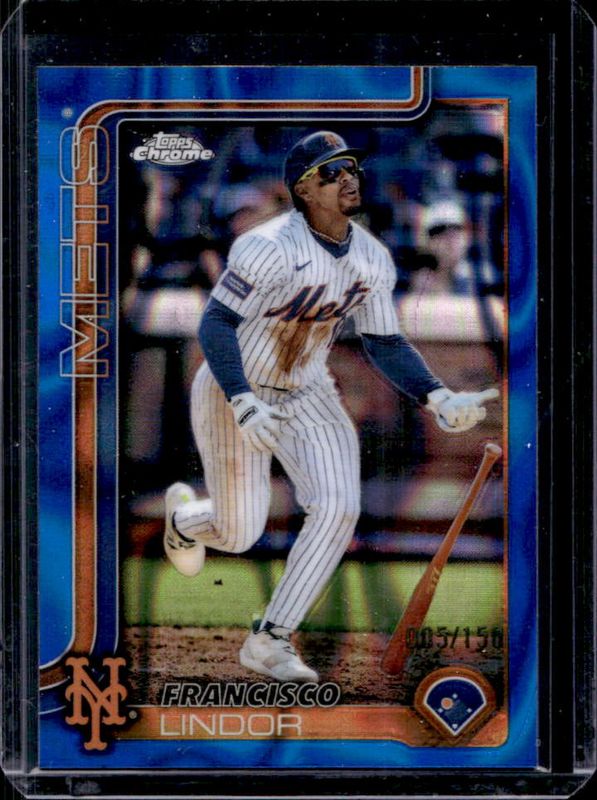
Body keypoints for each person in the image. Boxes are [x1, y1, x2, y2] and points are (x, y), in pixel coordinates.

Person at [162, 131, 498, 683]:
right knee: (239, 532)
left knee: (339, 507)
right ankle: (185, 520)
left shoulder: (370, 257)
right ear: (302, 189)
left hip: (307, 389)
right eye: (331, 172)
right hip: (232, 384)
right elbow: (216, 324)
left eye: (350, 168)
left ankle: (270, 639)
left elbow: (384, 341)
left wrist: (436, 395)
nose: (348, 179)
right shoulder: (266, 246)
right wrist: (243, 401)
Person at [411, 199, 500, 295]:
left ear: (467, 238)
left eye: (456, 231)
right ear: (428, 242)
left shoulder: (484, 276)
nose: (449, 240)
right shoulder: (422, 281)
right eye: (440, 232)